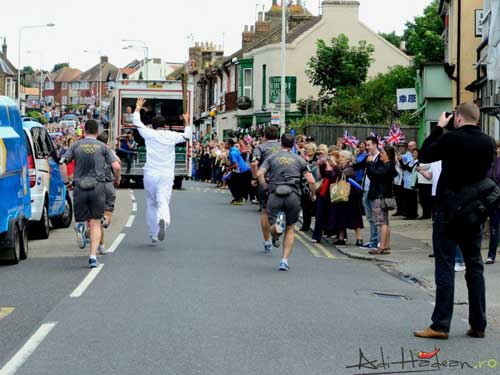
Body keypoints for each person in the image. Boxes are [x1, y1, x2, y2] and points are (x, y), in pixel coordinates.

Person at [415, 103, 496, 340]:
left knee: (445, 265)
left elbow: (426, 154)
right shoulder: (488, 142)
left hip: (448, 209)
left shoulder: (451, 139)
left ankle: (440, 325)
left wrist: (439, 128)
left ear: (457, 118)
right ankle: (478, 324)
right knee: (474, 265)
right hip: (474, 211)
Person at [60, 120, 121, 268]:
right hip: (97, 188)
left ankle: (80, 228)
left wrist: (67, 182)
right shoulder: (103, 147)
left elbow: (62, 163)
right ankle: (93, 257)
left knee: (81, 219)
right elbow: (116, 165)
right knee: (95, 223)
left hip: (80, 187)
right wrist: (117, 179)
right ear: (97, 132)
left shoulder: (75, 146)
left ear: (85, 131)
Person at [132, 98, 191, 243]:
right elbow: (187, 136)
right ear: (165, 125)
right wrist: (187, 121)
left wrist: (138, 108)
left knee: (151, 203)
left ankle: (153, 233)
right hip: (166, 174)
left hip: (150, 174)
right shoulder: (171, 135)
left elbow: (137, 123)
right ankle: (163, 219)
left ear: (152, 125)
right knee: (163, 201)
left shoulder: (149, 133)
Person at [257, 133, 316, 271]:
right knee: (290, 228)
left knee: (273, 225)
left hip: (275, 194)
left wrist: (266, 187)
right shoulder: (299, 159)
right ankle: (284, 261)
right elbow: (312, 180)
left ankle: (276, 229)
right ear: (293, 143)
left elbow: (259, 174)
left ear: (280, 143)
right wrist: (313, 194)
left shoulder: (272, 158)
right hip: (293, 195)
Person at [251, 125, 281, 252]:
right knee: (280, 210)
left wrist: (254, 178)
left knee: (265, 211)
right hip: (282, 182)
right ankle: (277, 232)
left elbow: (254, 163)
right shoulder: (283, 146)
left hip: (265, 181)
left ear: (264, 135)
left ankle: (267, 241)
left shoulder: (260, 147)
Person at [328, 150, 364, 246]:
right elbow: (332, 177)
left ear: (348, 159)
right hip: (341, 195)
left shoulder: (350, 168)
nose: (340, 159)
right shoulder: (339, 167)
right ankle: (341, 238)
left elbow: (342, 175)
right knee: (340, 216)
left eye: (342, 157)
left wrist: (335, 165)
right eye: (340, 157)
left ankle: (359, 238)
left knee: (354, 217)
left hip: (351, 196)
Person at [366, 146, 397, 254]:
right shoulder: (389, 166)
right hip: (384, 196)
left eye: (382, 153)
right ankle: (386, 246)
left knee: (382, 222)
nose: (380, 154)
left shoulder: (388, 166)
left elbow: (375, 175)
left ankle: (382, 247)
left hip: (380, 196)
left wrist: (370, 163)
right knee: (385, 222)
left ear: (388, 154)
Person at [355, 136, 382, 250]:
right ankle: (373, 240)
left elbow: (378, 174)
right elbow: (358, 166)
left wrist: (370, 163)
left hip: (375, 192)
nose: (366, 147)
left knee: (377, 218)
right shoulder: (368, 157)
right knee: (370, 217)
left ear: (375, 144)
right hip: (366, 190)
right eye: (366, 145)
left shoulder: (380, 157)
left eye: (368, 145)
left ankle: (379, 241)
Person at [226, 139, 252, 205]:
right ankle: (238, 198)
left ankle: (238, 198)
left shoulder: (232, 152)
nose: (225, 144)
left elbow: (235, 164)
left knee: (230, 182)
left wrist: (229, 168)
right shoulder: (234, 149)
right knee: (235, 183)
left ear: (229, 145)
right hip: (242, 170)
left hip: (242, 171)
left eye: (226, 143)